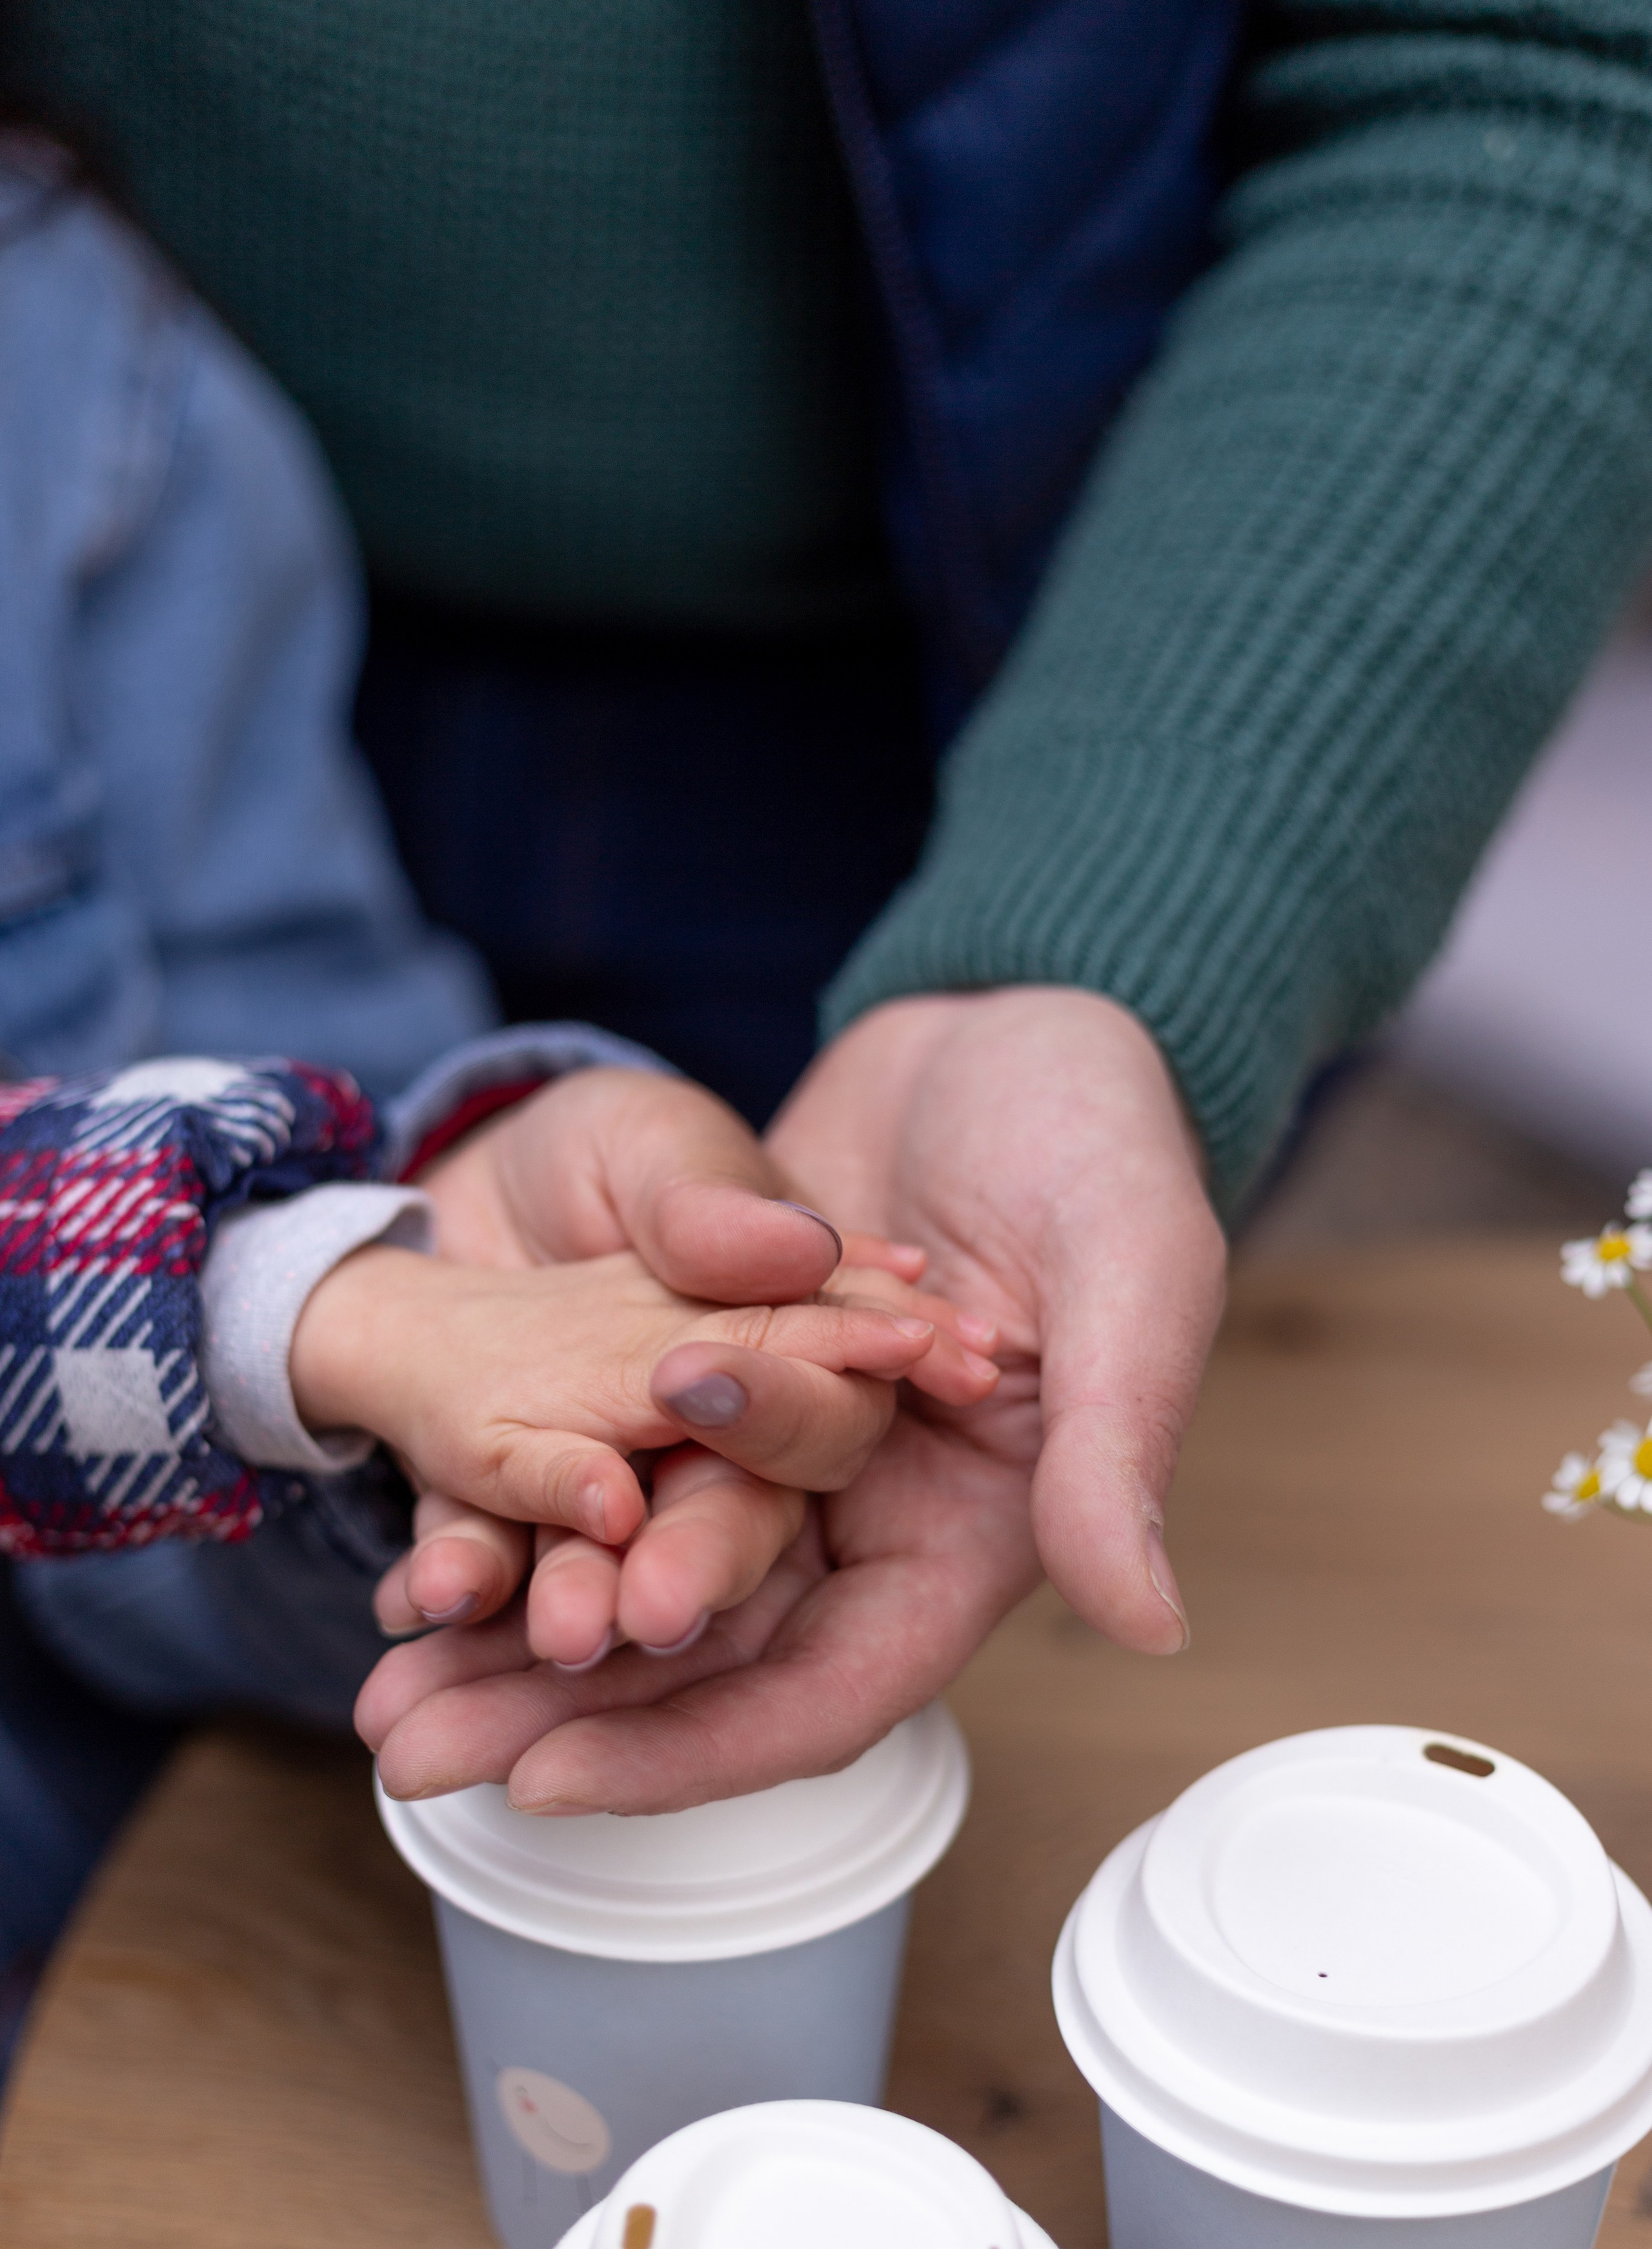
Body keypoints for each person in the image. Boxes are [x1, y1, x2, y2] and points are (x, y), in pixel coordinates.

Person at [6, 4, 1652, 1822]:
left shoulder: (99, 392)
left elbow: (1542, 84)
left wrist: (405, 1348)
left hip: (980, 684)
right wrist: (323, 1317)